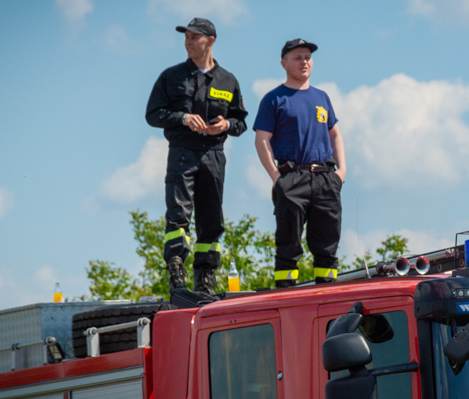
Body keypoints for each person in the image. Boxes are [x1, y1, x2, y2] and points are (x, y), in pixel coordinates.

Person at [146, 17, 248, 294]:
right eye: (186, 38)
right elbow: (153, 114)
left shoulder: (228, 80)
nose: (188, 43)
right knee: (178, 213)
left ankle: (205, 275)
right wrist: (182, 118)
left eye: (194, 38)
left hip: (214, 155)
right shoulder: (172, 76)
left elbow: (240, 122)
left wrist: (226, 125)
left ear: (210, 41)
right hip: (182, 152)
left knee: (212, 217)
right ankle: (176, 268)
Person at [254, 38, 346, 288]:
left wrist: (342, 172)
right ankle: (286, 294)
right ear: (284, 63)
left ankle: (326, 290)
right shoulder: (274, 99)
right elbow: (262, 140)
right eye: (297, 57)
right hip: (292, 178)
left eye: (307, 57)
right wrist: (276, 178)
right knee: (288, 242)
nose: (304, 61)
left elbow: (335, 134)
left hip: (326, 178)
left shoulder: (322, 97)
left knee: (327, 243)